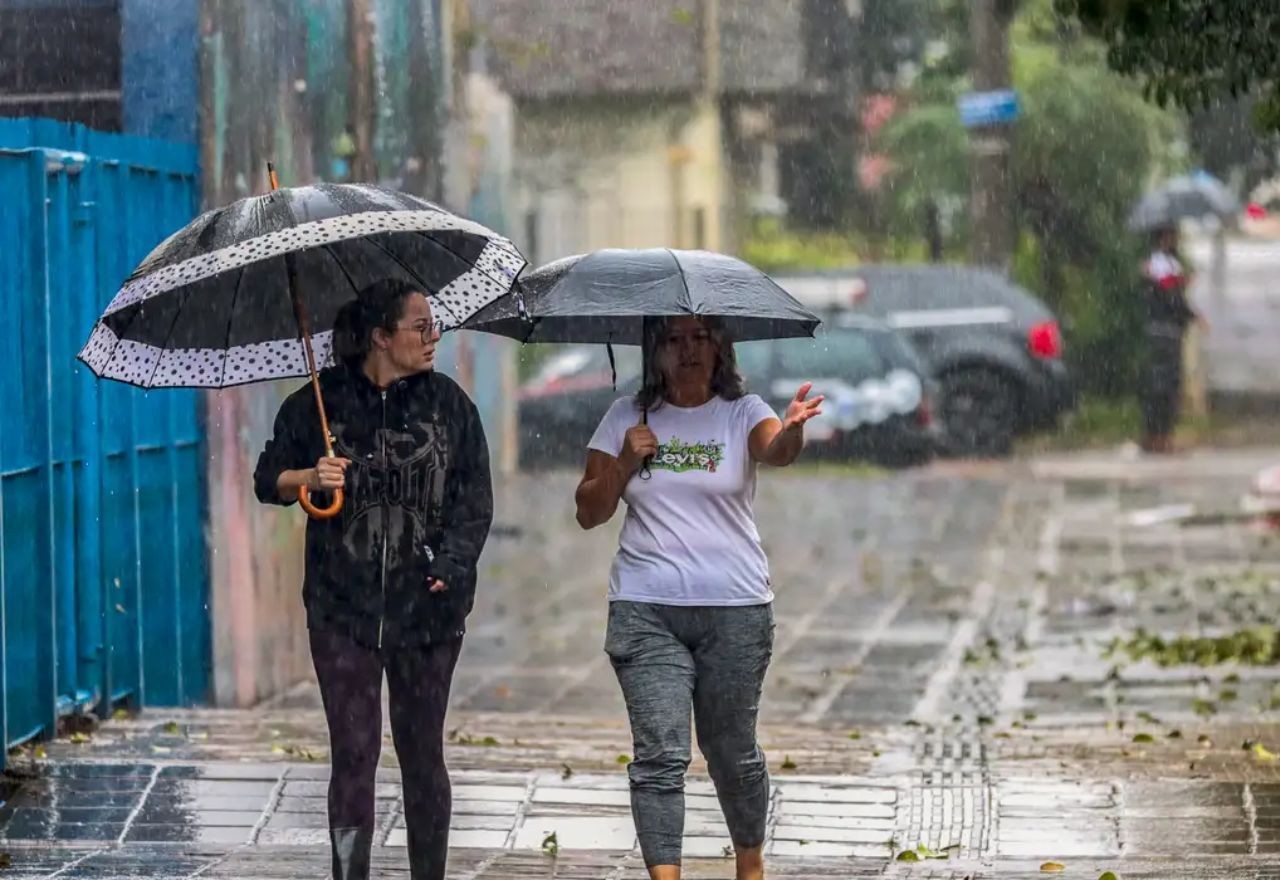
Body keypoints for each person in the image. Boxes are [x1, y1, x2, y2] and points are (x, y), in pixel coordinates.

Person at [253, 278, 493, 880]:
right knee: (354, 754)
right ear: (382, 337)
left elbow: (474, 501)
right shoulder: (318, 402)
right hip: (342, 612)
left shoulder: (450, 406)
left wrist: (453, 564)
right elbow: (268, 480)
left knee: (421, 755)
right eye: (420, 326)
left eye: (432, 325)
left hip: (429, 614)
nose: (432, 336)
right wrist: (310, 474)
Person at [574, 315, 822, 880]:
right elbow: (588, 511)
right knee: (660, 755)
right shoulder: (623, 418)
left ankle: (750, 864)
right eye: (674, 340)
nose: (687, 351)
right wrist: (622, 463)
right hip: (645, 608)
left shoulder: (742, 412)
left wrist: (793, 429)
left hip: (735, 611)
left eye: (700, 338)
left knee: (731, 753)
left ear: (719, 348)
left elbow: (776, 450)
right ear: (654, 350)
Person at [1139, 224, 1206, 454]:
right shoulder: (1160, 264)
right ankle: (1158, 436)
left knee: (1161, 385)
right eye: (1171, 236)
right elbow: (1171, 297)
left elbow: (1170, 294)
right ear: (1164, 238)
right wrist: (1181, 286)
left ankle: (1158, 434)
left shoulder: (1162, 265)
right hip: (1165, 332)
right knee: (1164, 385)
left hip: (1164, 332)